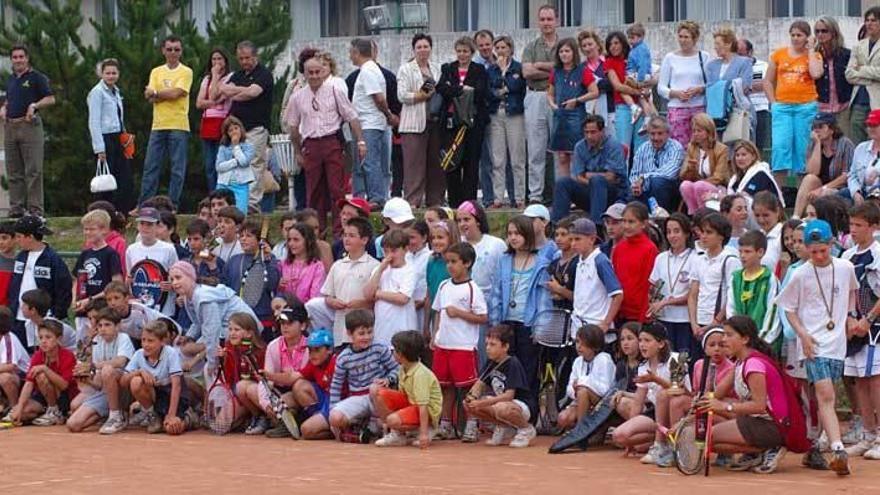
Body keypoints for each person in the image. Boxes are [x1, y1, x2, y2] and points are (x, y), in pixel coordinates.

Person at [776, 219, 858, 475]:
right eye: (813, 252)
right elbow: (787, 308)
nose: (819, 256)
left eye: (823, 250)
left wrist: (851, 315)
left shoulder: (845, 267)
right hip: (814, 344)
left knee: (826, 397)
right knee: (826, 396)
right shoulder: (800, 273)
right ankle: (837, 448)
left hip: (837, 343)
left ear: (832, 244)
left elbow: (852, 292)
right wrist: (803, 336)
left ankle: (818, 444)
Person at [699, 316, 795, 474]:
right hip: (756, 419)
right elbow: (717, 394)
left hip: (773, 426)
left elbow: (759, 406)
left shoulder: (753, 365)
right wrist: (697, 406)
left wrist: (724, 406)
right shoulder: (740, 362)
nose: (723, 340)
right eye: (724, 335)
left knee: (707, 438)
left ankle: (771, 446)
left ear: (745, 339)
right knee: (706, 436)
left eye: (729, 335)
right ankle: (757, 451)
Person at [286, 57, 366, 235]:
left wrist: (361, 141)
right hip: (311, 144)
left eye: (317, 72)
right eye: (310, 72)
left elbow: (351, 116)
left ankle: (339, 230)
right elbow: (292, 127)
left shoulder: (335, 91)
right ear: (304, 74)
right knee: (313, 190)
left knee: (336, 188)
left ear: (324, 72)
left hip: (332, 142)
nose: (314, 76)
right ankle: (316, 229)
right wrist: (298, 152)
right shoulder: (297, 97)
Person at [431, 242, 487, 441]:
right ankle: (446, 425)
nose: (450, 266)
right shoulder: (444, 285)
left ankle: (471, 424)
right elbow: (438, 312)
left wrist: (460, 313)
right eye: (448, 262)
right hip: (443, 345)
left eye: (454, 262)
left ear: (467, 263)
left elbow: (482, 317)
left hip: (463, 346)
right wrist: (434, 335)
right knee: (445, 387)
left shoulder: (473, 289)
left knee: (467, 388)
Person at [170, 261, 259, 375]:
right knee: (184, 347)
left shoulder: (204, 299)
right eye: (172, 279)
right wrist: (188, 336)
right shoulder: (189, 298)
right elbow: (198, 323)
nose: (175, 283)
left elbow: (212, 333)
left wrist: (212, 364)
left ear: (191, 277)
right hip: (224, 328)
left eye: (178, 277)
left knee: (206, 359)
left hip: (243, 328)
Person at [842, 202, 880, 459]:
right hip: (853, 327)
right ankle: (868, 434)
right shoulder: (847, 256)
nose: (853, 230)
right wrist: (848, 319)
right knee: (861, 381)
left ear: (874, 227)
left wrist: (867, 319)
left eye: (859, 225)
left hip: (875, 327)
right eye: (851, 225)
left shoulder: (879, 253)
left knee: (876, 380)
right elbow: (846, 292)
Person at [305, 217, 380, 346]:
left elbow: (377, 298)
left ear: (364, 240)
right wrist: (332, 301)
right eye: (345, 235)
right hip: (341, 329)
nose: (346, 239)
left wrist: (362, 303)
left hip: (364, 331)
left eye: (352, 236)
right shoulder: (338, 265)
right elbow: (327, 295)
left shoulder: (374, 266)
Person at [219, 41, 274, 214]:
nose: (244, 62)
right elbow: (224, 90)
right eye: (241, 58)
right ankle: (236, 202)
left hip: (256, 127)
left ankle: (252, 203)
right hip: (237, 129)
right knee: (235, 164)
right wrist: (243, 91)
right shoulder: (237, 75)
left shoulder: (264, 74)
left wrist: (238, 92)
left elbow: (253, 93)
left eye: (248, 58)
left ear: (255, 56)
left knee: (254, 163)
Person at [765, 20, 824, 181]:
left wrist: (811, 50)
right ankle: (778, 196)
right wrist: (773, 103)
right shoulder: (779, 54)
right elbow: (768, 81)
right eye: (793, 35)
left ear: (807, 37)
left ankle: (801, 196)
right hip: (782, 107)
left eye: (800, 35)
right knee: (780, 148)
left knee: (803, 150)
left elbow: (816, 73)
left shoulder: (815, 55)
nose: (796, 38)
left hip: (805, 107)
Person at [139, 36, 193, 209]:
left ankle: (172, 205)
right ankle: (144, 205)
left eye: (176, 49)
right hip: (158, 125)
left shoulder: (186, 71)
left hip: (178, 125)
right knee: (150, 167)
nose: (173, 53)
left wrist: (156, 92)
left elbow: (177, 93)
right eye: (169, 49)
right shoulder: (156, 71)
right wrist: (158, 94)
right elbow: (148, 97)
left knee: (177, 169)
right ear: (163, 50)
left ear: (181, 51)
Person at [2, 44, 55, 217]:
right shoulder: (11, 79)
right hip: (10, 126)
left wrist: (35, 105)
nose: (18, 60)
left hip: (29, 125)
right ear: (11, 59)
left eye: (21, 57)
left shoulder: (36, 77)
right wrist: (4, 107)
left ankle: (35, 210)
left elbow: (50, 98)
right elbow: (9, 99)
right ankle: (16, 208)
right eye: (15, 57)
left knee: (33, 170)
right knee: (14, 171)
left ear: (27, 58)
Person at [328, 309, 398, 438]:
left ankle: (378, 426)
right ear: (350, 334)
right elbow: (336, 386)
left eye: (369, 332)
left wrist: (389, 379)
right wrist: (332, 409)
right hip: (358, 397)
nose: (366, 337)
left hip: (379, 397)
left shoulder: (380, 349)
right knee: (334, 417)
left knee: (374, 389)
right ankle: (358, 426)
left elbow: (397, 369)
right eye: (361, 333)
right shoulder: (343, 358)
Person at [436, 36, 489, 208]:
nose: (462, 54)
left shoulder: (479, 69)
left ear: (472, 53)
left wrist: (456, 90)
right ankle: (454, 203)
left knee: (471, 162)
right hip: (451, 123)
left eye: (465, 51)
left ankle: (469, 203)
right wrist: (462, 90)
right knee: (452, 162)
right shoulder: (448, 68)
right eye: (459, 51)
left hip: (472, 123)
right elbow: (442, 88)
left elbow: (481, 91)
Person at [463, 325, 536, 447]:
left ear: (505, 347)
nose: (487, 348)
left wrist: (482, 403)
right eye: (487, 344)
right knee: (469, 405)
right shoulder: (491, 362)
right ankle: (504, 426)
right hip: (502, 404)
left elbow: (509, 395)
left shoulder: (513, 363)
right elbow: (479, 384)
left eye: (492, 345)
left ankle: (526, 429)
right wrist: (471, 398)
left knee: (501, 408)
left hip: (521, 405)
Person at [7, 215, 72, 350]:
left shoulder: (52, 259)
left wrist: (56, 315)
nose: (17, 240)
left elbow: (63, 289)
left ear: (30, 237)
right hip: (18, 317)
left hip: (43, 319)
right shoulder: (21, 256)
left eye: (19, 237)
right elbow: (14, 285)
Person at [65, 307, 134, 434]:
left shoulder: (123, 337)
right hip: (106, 391)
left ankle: (116, 416)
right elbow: (99, 383)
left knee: (108, 369)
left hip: (125, 390)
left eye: (107, 325)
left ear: (118, 326)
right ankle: (108, 415)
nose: (102, 328)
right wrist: (87, 380)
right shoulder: (97, 340)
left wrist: (92, 366)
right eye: (100, 325)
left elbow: (120, 362)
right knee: (73, 424)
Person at [348, 39, 397, 209]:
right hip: (371, 122)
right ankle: (373, 196)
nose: (350, 56)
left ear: (356, 52)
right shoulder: (371, 69)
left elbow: (378, 97)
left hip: (369, 122)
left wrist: (387, 113)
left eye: (351, 52)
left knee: (369, 161)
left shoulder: (368, 71)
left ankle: (376, 198)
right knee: (371, 161)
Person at [551, 116, 627, 226]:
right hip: (590, 192)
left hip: (614, 194)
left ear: (602, 131)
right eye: (586, 132)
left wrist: (590, 176)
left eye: (593, 132)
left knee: (598, 181)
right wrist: (593, 182)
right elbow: (579, 177)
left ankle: (597, 227)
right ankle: (557, 226)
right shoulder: (580, 147)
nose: (589, 136)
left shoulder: (613, 146)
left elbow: (611, 177)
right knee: (563, 182)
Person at [373, 330, 442, 448]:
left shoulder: (420, 374)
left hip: (426, 412)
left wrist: (424, 435)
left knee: (392, 420)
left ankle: (427, 430)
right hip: (412, 405)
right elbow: (403, 396)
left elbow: (423, 406)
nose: (393, 352)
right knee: (377, 392)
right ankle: (398, 434)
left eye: (394, 350)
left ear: (401, 354)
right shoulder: (403, 368)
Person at [397, 33, 444, 208]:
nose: (423, 50)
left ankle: (435, 202)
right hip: (413, 123)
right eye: (419, 47)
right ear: (414, 49)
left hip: (434, 121)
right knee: (414, 166)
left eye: (426, 46)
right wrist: (420, 95)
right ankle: (412, 202)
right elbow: (401, 95)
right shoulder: (406, 69)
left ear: (431, 48)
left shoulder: (437, 68)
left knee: (436, 165)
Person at [688, 213, 741, 359]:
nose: (703, 236)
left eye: (709, 232)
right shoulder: (698, 259)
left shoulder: (730, 259)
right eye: (703, 232)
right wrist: (694, 324)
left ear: (721, 236)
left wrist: (716, 321)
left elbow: (732, 295)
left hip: (719, 322)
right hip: (699, 322)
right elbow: (693, 294)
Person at [121, 322, 189, 435]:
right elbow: (123, 381)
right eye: (143, 340)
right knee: (135, 381)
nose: (146, 344)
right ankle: (153, 415)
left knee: (172, 428)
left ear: (162, 341)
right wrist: (140, 372)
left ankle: (188, 418)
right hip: (156, 396)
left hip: (172, 396)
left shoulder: (170, 353)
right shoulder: (139, 354)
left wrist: (171, 415)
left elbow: (176, 386)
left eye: (150, 341)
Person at [522, 4, 559, 204]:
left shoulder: (564, 45)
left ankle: (560, 193)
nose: (546, 23)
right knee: (536, 150)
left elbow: (566, 69)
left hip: (558, 97)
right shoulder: (531, 46)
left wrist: (540, 66)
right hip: (535, 96)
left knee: (559, 150)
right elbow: (526, 72)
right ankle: (535, 196)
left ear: (557, 21)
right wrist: (553, 70)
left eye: (549, 19)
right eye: (543, 19)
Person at [7, 320, 77, 426]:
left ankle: (55, 411)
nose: (43, 341)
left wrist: (45, 369)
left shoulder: (67, 355)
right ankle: (45, 412)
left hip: (64, 396)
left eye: (48, 337)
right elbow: (29, 383)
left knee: (41, 375)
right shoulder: (38, 356)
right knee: (21, 412)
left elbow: (64, 385)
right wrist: (20, 407)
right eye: (40, 338)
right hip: (43, 395)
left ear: (59, 339)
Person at [547, 37, 599, 180]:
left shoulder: (583, 71)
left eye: (567, 51)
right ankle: (564, 190)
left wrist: (577, 100)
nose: (564, 54)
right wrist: (553, 106)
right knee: (562, 157)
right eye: (561, 51)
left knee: (577, 155)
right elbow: (550, 94)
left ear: (574, 52)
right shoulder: (555, 72)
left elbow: (594, 92)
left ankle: (578, 190)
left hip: (577, 117)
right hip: (560, 117)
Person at [87, 58, 134, 213]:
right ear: (102, 74)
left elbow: (119, 117)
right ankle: (102, 212)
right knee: (106, 178)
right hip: (105, 138)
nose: (111, 76)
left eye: (114, 73)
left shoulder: (116, 91)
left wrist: (126, 138)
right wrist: (100, 148)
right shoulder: (97, 93)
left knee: (122, 177)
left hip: (118, 137)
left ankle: (121, 212)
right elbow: (94, 121)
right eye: (108, 73)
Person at [224, 220, 281, 341]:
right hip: (238, 318)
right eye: (241, 236)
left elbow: (272, 284)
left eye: (249, 236)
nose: (243, 239)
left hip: (261, 318)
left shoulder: (269, 259)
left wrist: (267, 259)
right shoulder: (233, 260)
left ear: (260, 240)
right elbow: (226, 287)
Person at [487, 35, 527, 209]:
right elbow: (491, 89)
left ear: (510, 48)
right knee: (497, 158)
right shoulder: (491, 69)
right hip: (496, 114)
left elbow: (516, 86)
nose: (501, 51)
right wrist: (502, 83)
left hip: (514, 114)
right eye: (498, 48)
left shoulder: (519, 67)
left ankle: (519, 197)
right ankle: (498, 197)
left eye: (504, 47)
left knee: (517, 157)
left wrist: (504, 77)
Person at [647, 214, 696, 355]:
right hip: (664, 319)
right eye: (668, 232)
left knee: (683, 362)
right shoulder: (661, 258)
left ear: (686, 233)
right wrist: (652, 303)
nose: (672, 236)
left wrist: (665, 303)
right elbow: (653, 287)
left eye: (677, 231)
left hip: (685, 319)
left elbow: (693, 294)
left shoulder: (695, 258)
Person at [657, 20, 711, 147]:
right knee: (678, 146)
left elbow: (711, 84)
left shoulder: (704, 57)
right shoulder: (670, 58)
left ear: (695, 38)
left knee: (700, 145)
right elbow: (661, 87)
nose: (682, 40)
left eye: (686, 37)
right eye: (680, 36)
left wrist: (699, 89)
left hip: (699, 108)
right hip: (677, 109)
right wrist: (675, 93)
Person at [726, 230, 780, 348]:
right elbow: (731, 309)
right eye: (740, 251)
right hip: (740, 344)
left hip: (763, 345)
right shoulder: (735, 278)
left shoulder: (769, 279)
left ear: (760, 252)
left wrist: (759, 343)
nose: (742, 256)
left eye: (747, 252)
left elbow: (772, 314)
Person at [793, 113, 854, 217]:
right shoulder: (813, 144)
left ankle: (811, 218)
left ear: (831, 129)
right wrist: (817, 144)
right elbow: (812, 172)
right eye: (814, 127)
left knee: (824, 194)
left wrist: (823, 189)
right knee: (809, 179)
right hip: (818, 186)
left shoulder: (845, 144)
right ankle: (796, 217)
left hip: (839, 188)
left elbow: (846, 176)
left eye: (821, 127)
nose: (816, 130)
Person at [569, 218, 622, 337]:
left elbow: (618, 294)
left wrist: (606, 323)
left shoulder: (600, 261)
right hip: (579, 328)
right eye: (571, 239)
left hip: (596, 329)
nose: (573, 243)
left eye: (577, 239)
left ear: (592, 239)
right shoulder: (578, 260)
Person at [556, 324, 615, 430]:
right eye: (578, 342)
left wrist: (582, 383)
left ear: (595, 345)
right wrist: (577, 388)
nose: (579, 346)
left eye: (584, 344)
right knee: (563, 418)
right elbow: (569, 389)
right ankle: (588, 430)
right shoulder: (578, 361)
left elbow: (605, 390)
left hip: (602, 402)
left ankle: (580, 431)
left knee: (583, 391)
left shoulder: (604, 359)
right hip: (580, 400)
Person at [71, 209, 124, 328]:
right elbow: (77, 280)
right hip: (82, 311)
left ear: (104, 230)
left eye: (92, 229)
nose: (88, 232)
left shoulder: (110, 254)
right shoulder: (85, 254)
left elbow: (116, 285)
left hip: (102, 311)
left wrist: (91, 299)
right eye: (86, 229)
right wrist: (75, 299)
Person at [364, 230, 417, 346]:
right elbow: (368, 295)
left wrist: (377, 293)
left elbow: (402, 298)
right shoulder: (380, 270)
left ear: (405, 249)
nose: (389, 256)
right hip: (381, 333)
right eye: (386, 251)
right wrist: (380, 270)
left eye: (394, 251)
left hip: (403, 332)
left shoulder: (410, 270)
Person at [125, 207, 179, 316]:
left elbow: (177, 276)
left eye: (149, 224)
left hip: (164, 310)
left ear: (157, 226)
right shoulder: (131, 249)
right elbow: (130, 277)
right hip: (139, 309)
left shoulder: (169, 249)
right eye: (142, 223)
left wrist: (171, 285)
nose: (145, 228)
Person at [706, 28, 755, 140]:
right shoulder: (711, 66)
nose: (715, 47)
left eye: (718, 44)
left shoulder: (744, 62)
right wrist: (729, 85)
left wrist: (722, 86)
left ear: (728, 44)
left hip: (738, 112)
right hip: (717, 115)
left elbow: (745, 86)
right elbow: (709, 88)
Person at [195, 49, 232, 192]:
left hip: (222, 122)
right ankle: (213, 194)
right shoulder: (206, 79)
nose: (216, 62)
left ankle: (222, 194)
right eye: (214, 59)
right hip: (208, 123)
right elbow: (199, 103)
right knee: (209, 165)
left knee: (221, 163)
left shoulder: (230, 77)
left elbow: (215, 95)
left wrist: (216, 76)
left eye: (220, 59)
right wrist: (212, 101)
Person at [629, 116, 684, 211]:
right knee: (627, 194)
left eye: (660, 134)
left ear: (667, 134)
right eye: (652, 134)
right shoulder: (643, 148)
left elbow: (669, 173)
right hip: (646, 190)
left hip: (668, 190)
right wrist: (636, 185)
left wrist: (644, 178)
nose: (656, 138)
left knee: (657, 182)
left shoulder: (676, 147)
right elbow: (635, 174)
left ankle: (660, 219)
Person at [678, 113, 729, 214]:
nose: (695, 134)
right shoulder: (691, 148)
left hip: (718, 188)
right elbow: (683, 176)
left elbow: (719, 177)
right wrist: (690, 169)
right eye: (694, 131)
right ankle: (693, 214)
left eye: (699, 131)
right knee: (685, 185)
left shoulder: (721, 149)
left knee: (699, 186)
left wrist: (700, 183)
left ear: (708, 132)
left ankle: (703, 214)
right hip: (697, 185)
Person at [846, 6, 880, 144]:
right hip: (859, 101)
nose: (869, 23)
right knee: (856, 142)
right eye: (867, 20)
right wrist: (872, 75)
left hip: (877, 101)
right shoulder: (859, 46)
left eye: (873, 20)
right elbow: (849, 74)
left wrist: (862, 69)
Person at [814, 17, 853, 135]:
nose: (820, 34)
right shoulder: (814, 56)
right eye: (817, 31)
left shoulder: (846, 54)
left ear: (833, 32)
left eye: (824, 31)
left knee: (844, 142)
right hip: (821, 108)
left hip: (844, 107)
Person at [214, 116, 255, 214]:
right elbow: (219, 166)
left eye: (236, 128)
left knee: (240, 212)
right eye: (230, 130)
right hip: (224, 184)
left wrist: (236, 146)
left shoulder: (248, 146)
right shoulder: (223, 148)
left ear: (241, 129)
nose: (234, 132)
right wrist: (234, 162)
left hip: (240, 185)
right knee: (221, 212)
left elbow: (244, 162)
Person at [737, 38, 772, 153]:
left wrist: (747, 86)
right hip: (741, 110)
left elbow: (767, 84)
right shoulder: (735, 67)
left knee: (759, 145)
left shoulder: (763, 66)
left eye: (741, 54)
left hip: (760, 108)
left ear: (750, 52)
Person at [278, 222, 325, 304]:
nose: (291, 243)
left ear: (308, 241)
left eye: (296, 240)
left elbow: (315, 297)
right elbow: (276, 294)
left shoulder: (317, 267)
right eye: (289, 240)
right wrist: (279, 286)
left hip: (307, 312)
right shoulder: (283, 264)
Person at [728, 140, 784, 207]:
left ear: (753, 156)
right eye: (737, 155)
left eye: (744, 155)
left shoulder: (760, 173)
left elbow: (745, 197)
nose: (740, 158)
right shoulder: (736, 178)